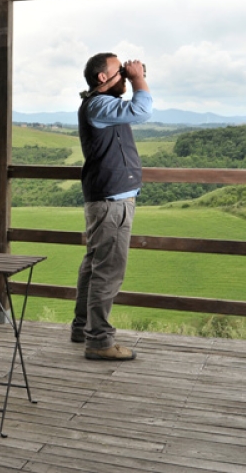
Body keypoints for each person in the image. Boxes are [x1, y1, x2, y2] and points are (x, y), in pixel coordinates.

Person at [71, 52, 152, 360]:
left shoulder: (102, 105)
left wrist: (131, 78)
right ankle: (100, 342)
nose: (129, 73)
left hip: (103, 198)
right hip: (111, 203)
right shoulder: (99, 104)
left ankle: (83, 328)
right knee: (108, 271)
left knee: (94, 266)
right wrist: (139, 79)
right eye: (121, 70)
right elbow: (142, 110)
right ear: (102, 77)